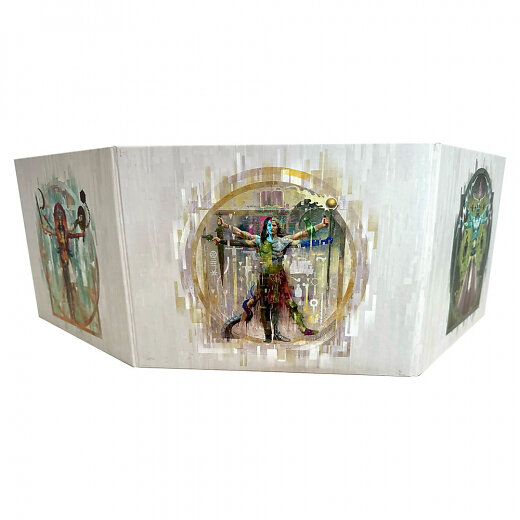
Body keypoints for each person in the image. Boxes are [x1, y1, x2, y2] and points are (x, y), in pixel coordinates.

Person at [212, 214, 329, 343]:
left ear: (278, 227)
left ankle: (293, 331)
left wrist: (321, 225)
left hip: (279, 278)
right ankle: (268, 336)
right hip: (264, 278)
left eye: (274, 225)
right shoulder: (258, 240)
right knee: (264, 306)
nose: (271, 227)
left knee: (282, 305)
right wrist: (223, 231)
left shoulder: (284, 241)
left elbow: (303, 234)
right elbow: (240, 236)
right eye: (269, 225)